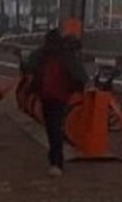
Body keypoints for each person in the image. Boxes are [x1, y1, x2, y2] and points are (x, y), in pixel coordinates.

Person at [23, 29, 88, 177]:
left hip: (46, 96)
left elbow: (29, 64)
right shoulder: (66, 56)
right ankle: (56, 161)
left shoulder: (43, 54)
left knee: (52, 129)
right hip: (61, 97)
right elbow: (79, 75)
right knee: (56, 128)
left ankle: (56, 161)